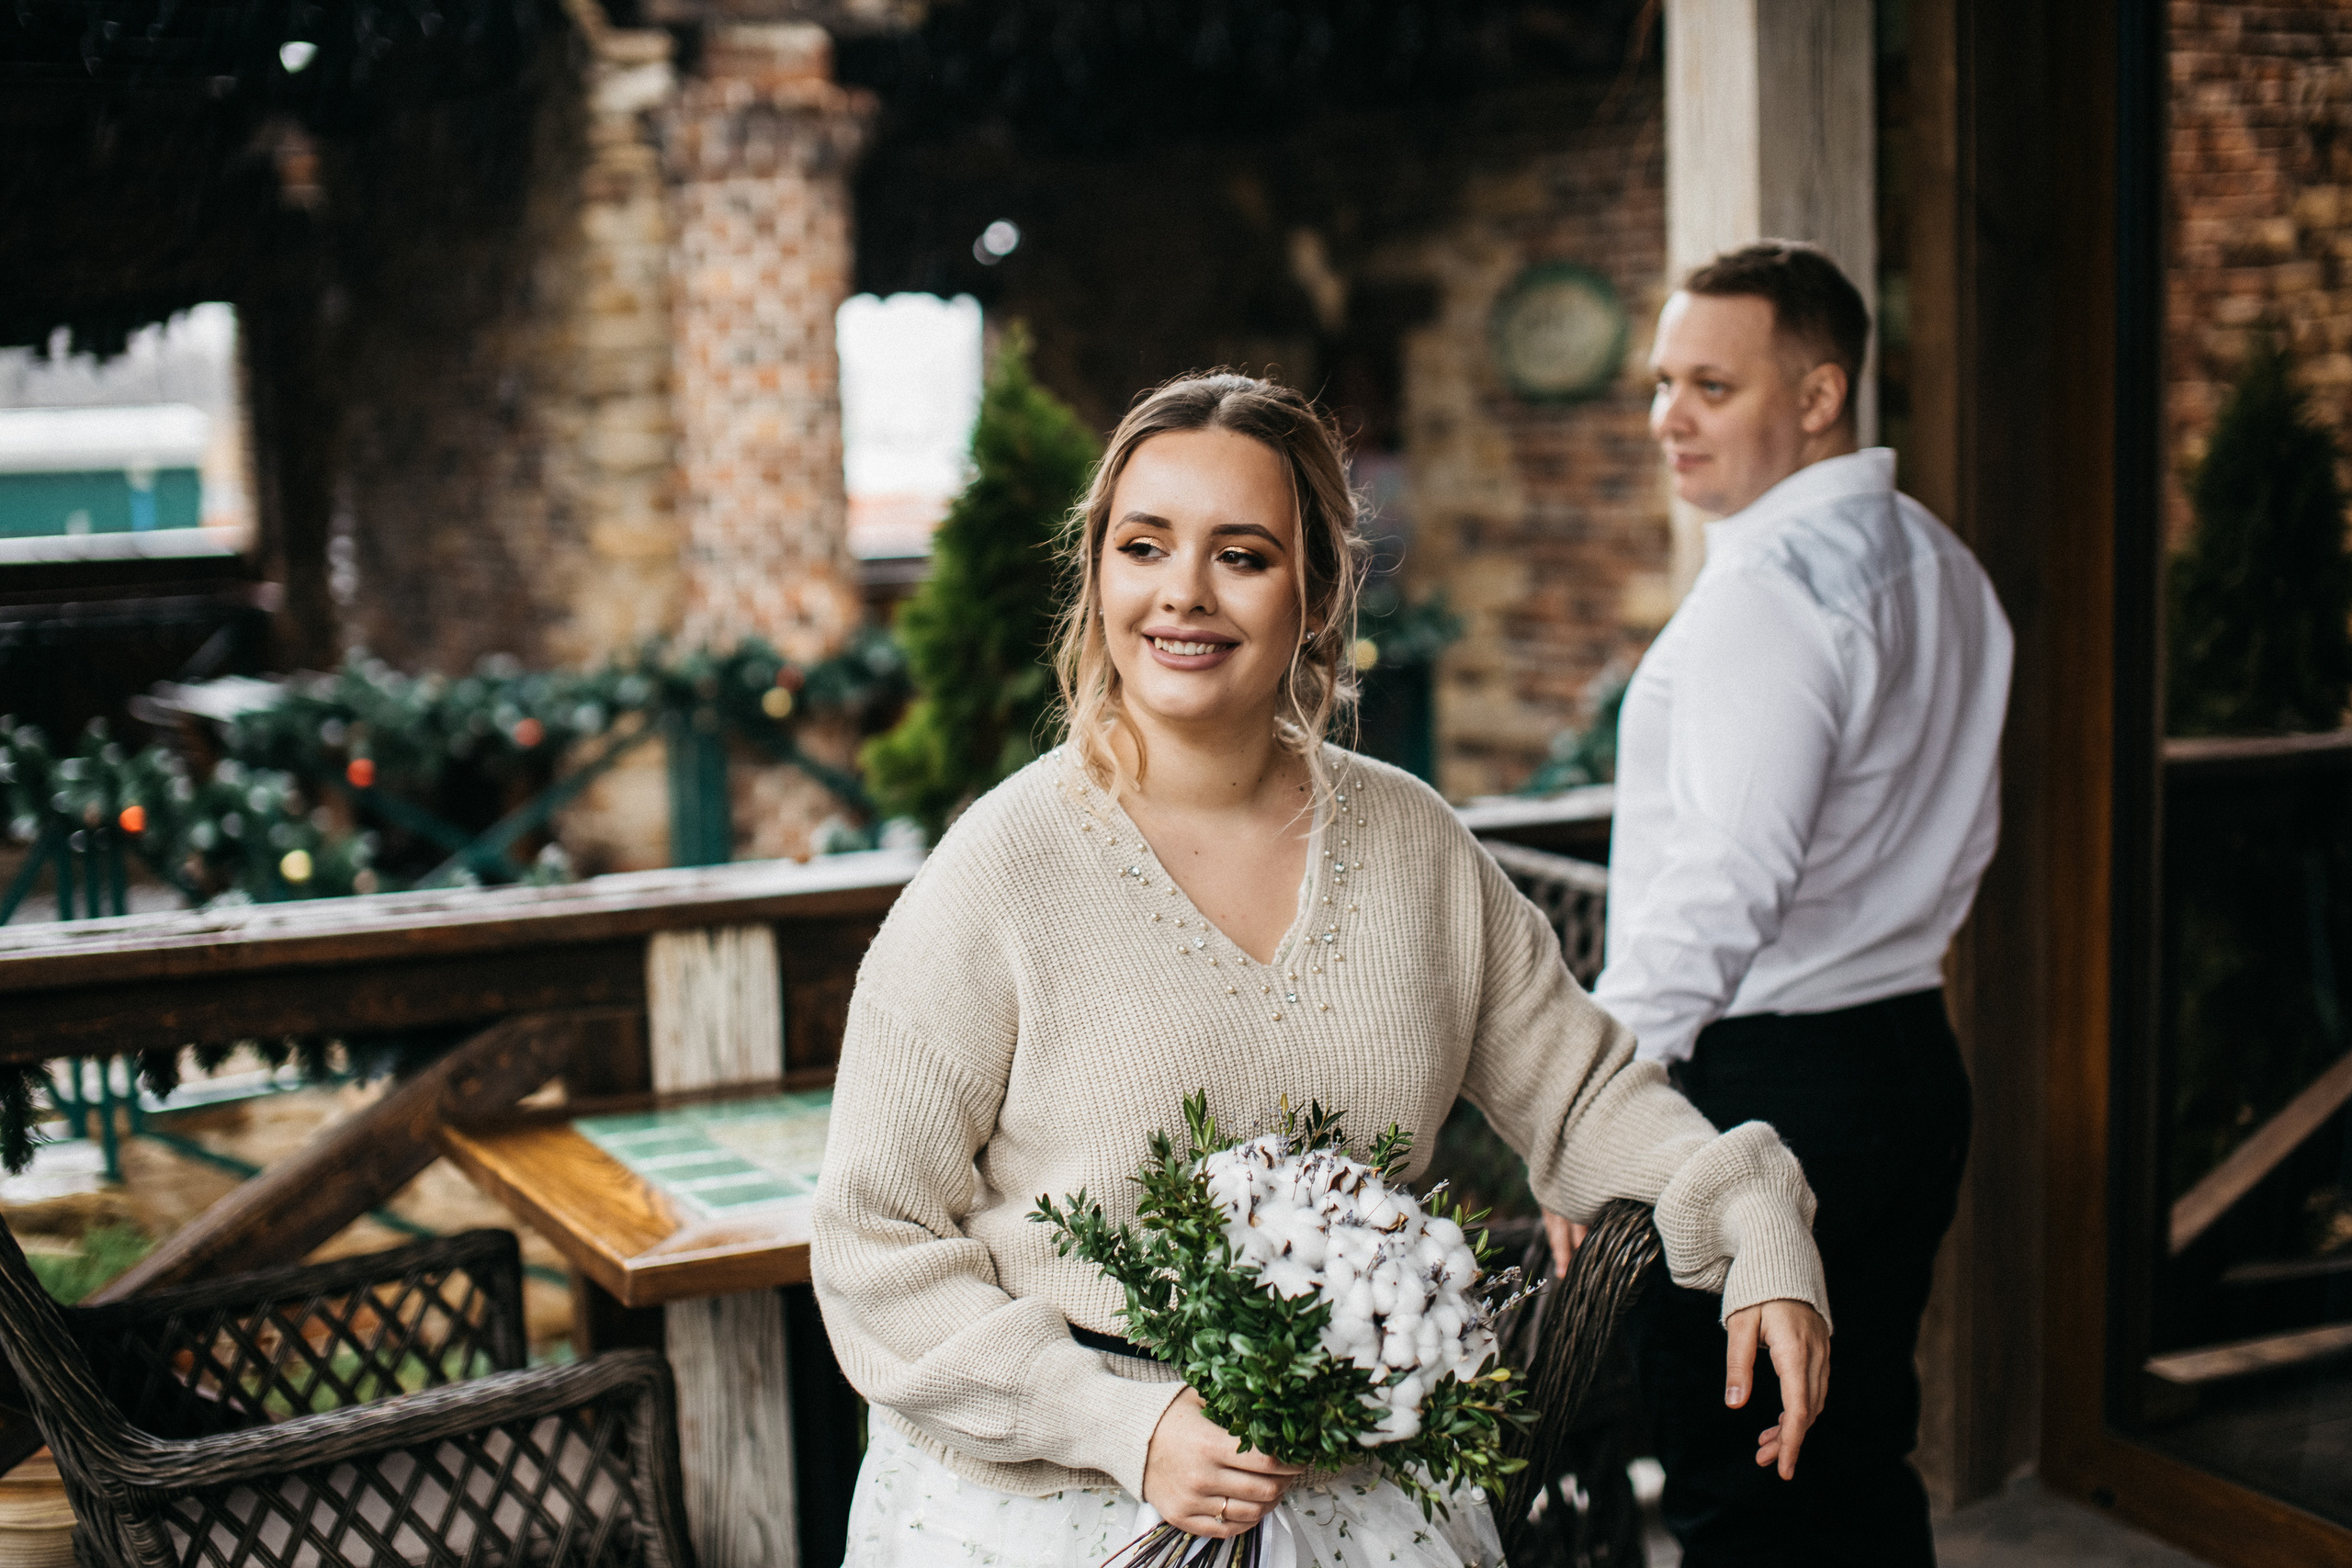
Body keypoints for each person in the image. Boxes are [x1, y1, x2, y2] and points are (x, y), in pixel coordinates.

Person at [812, 370, 1833, 1568]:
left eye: (1241, 555)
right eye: (1144, 547)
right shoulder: (998, 870)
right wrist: (1122, 1423)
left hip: (1359, 1498)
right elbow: (871, 1240)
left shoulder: (1416, 848)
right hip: (1051, 1498)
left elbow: (1587, 1096)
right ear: (1098, 576)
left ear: (1317, 594)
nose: (1184, 592)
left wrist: (1749, 1205)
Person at [1577, 241, 2012, 1565]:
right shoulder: (1942, 565)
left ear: (1821, 395)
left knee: (1742, 1492)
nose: (1670, 417)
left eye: (1712, 386)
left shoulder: (1769, 597)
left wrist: (1592, 1101)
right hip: (1909, 1064)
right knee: (1857, 1457)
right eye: (1662, 383)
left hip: (1769, 1095)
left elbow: (1721, 887)